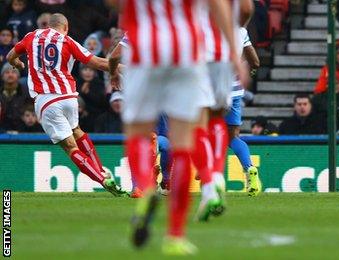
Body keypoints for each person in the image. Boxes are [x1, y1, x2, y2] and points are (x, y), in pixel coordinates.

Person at [108, 0, 246, 255]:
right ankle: (175, 235)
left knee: (138, 132)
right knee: (183, 142)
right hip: (187, 50)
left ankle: (147, 188)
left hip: (145, 48)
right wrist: (234, 55)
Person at [5, 14, 126, 196]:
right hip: (69, 97)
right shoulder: (68, 41)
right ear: (66, 27)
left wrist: (17, 62)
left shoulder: (32, 37)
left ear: (49, 25)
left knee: (71, 148)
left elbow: (10, 56)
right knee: (77, 131)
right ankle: (101, 171)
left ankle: (102, 180)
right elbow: (98, 63)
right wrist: (124, 69)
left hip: (46, 101)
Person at [192, 0, 252, 223]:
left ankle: (209, 184)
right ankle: (217, 176)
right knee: (218, 119)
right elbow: (245, 9)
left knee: (191, 126)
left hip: (194, 54)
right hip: (224, 56)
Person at [224, 26, 262, 199]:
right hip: (234, 91)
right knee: (232, 137)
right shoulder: (240, 30)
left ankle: (206, 173)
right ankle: (249, 168)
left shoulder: (204, 25)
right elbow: (255, 62)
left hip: (209, 90)